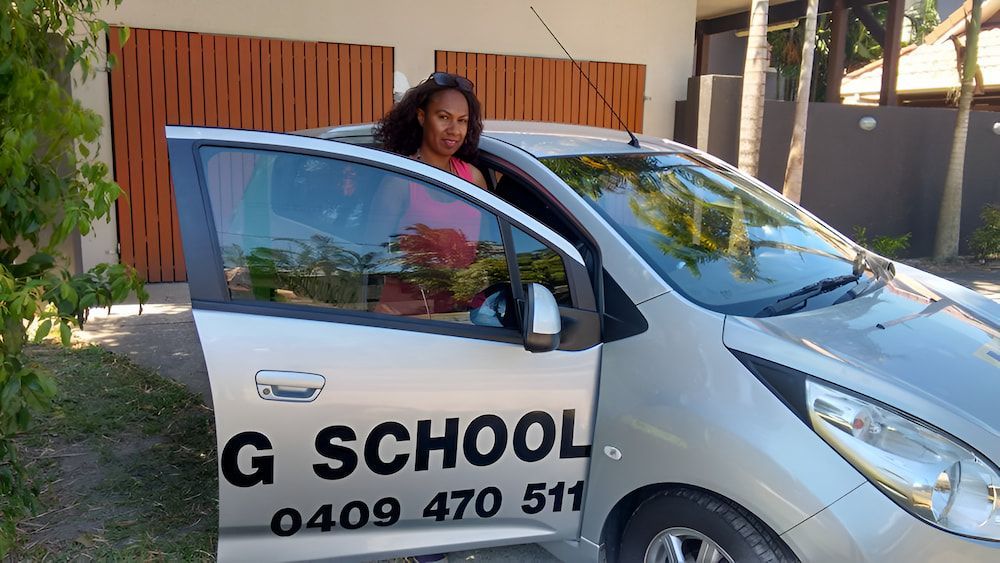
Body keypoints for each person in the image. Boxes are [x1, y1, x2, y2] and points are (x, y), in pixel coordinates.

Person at [368, 73, 491, 324]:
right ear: (422, 117)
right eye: (443, 117)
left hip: (462, 314)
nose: (453, 130)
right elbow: (371, 254)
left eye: (462, 121)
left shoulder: (474, 179)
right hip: (404, 314)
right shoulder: (401, 181)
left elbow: (488, 251)